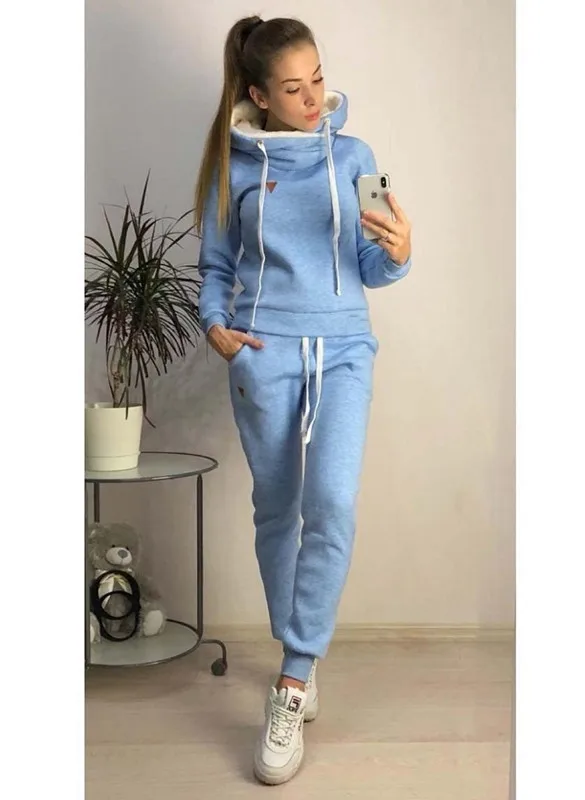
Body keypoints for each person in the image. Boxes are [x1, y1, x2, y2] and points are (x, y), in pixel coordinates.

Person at [196, 15, 412, 786]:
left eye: (318, 77)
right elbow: (214, 267)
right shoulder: (233, 164)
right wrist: (215, 327)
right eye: (293, 88)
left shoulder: (356, 157)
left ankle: (292, 678)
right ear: (258, 94)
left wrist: (398, 253)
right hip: (263, 353)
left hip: (344, 348)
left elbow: (372, 262)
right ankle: (302, 650)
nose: (313, 96)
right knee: (276, 512)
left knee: (332, 506)